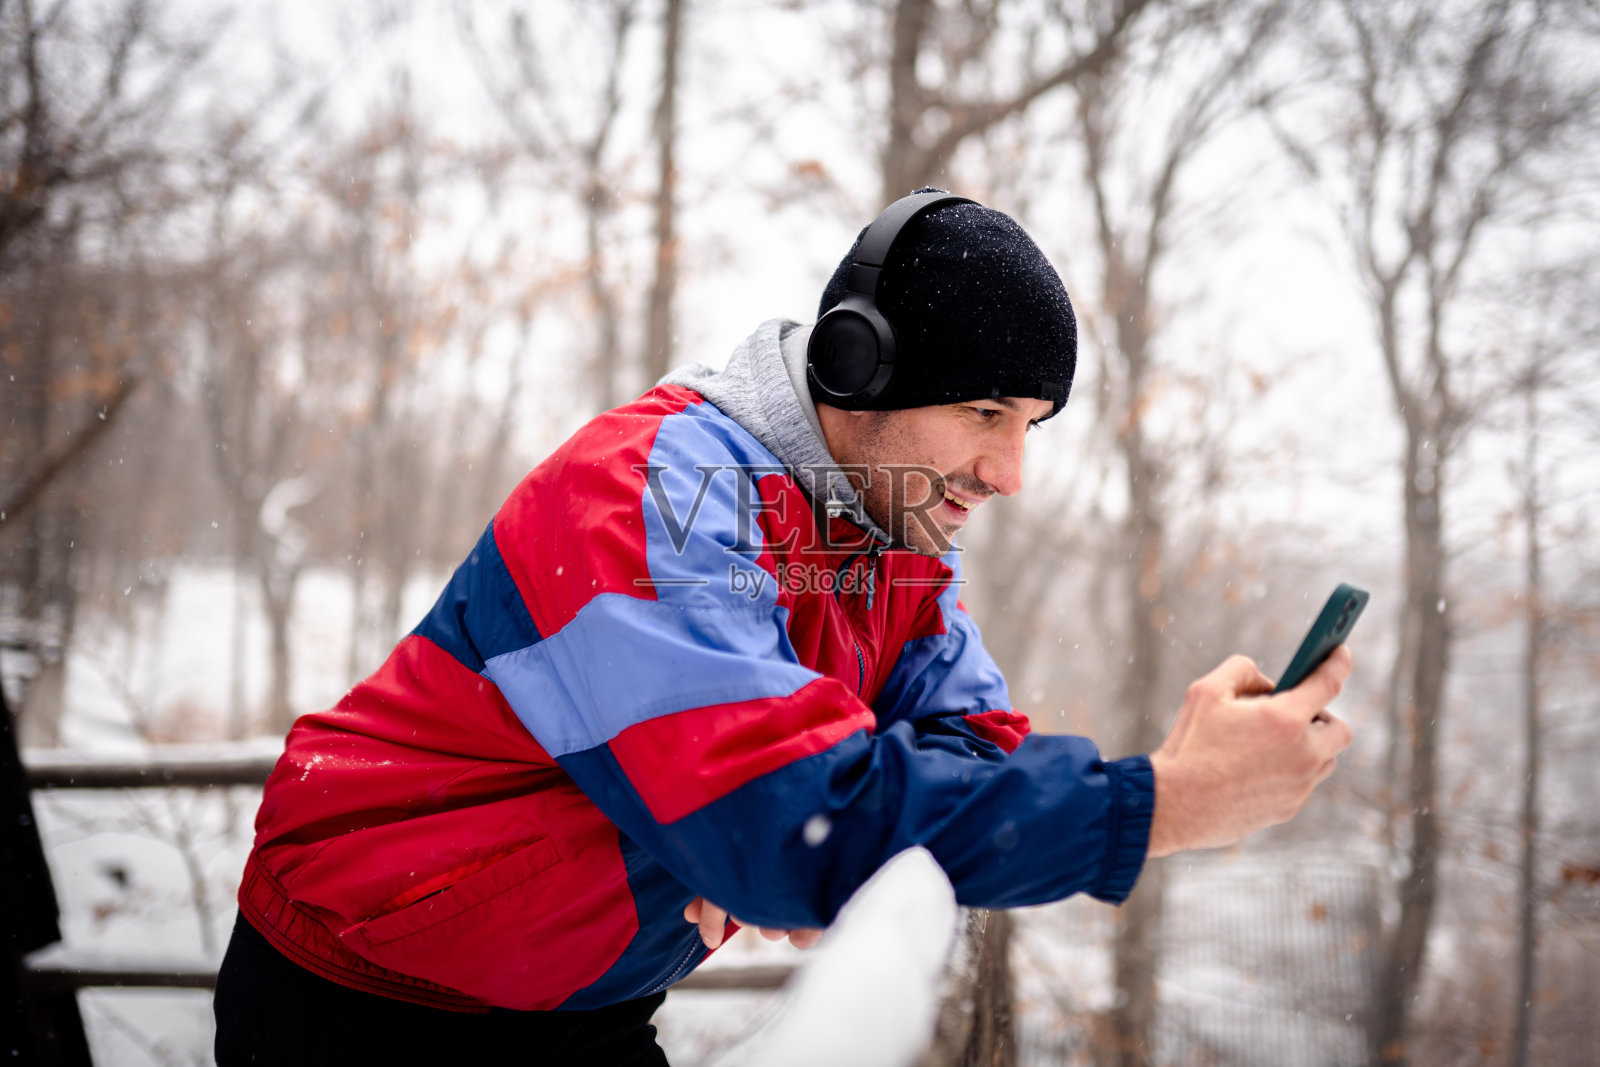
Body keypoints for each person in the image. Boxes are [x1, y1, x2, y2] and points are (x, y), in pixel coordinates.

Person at [213, 190, 1353, 1065]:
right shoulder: (654, 493)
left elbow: (963, 744)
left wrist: (806, 832)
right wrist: (1160, 798)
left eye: (1033, 425)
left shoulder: (890, 537)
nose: (1011, 471)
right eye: (986, 413)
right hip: (366, 999)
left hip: (585, 1004)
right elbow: (784, 823)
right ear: (860, 366)